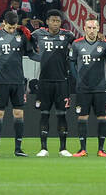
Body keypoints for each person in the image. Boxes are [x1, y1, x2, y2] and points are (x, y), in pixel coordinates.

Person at [30, 10, 76, 157]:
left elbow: (79, 46)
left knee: (62, 115)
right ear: (47, 22)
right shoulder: (38, 34)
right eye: (53, 20)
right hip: (44, 81)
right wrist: (39, 57)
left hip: (62, 81)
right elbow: (26, 44)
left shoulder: (68, 35)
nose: (55, 23)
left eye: (58, 21)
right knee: (44, 114)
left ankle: (63, 148)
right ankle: (43, 148)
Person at [0, 10, 32, 156]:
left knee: (19, 113)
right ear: (4, 23)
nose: (12, 30)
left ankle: (18, 149)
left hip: (18, 80)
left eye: (14, 27)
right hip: (0, 80)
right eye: (10, 27)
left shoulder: (21, 36)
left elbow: (32, 48)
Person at [68, 18, 106, 158]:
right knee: (82, 117)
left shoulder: (105, 44)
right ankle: (82, 149)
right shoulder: (76, 44)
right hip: (83, 88)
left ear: (98, 28)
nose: (92, 30)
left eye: (94, 28)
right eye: (89, 27)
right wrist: (78, 79)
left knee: (102, 117)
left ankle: (101, 149)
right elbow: (71, 63)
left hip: (100, 87)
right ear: (84, 28)